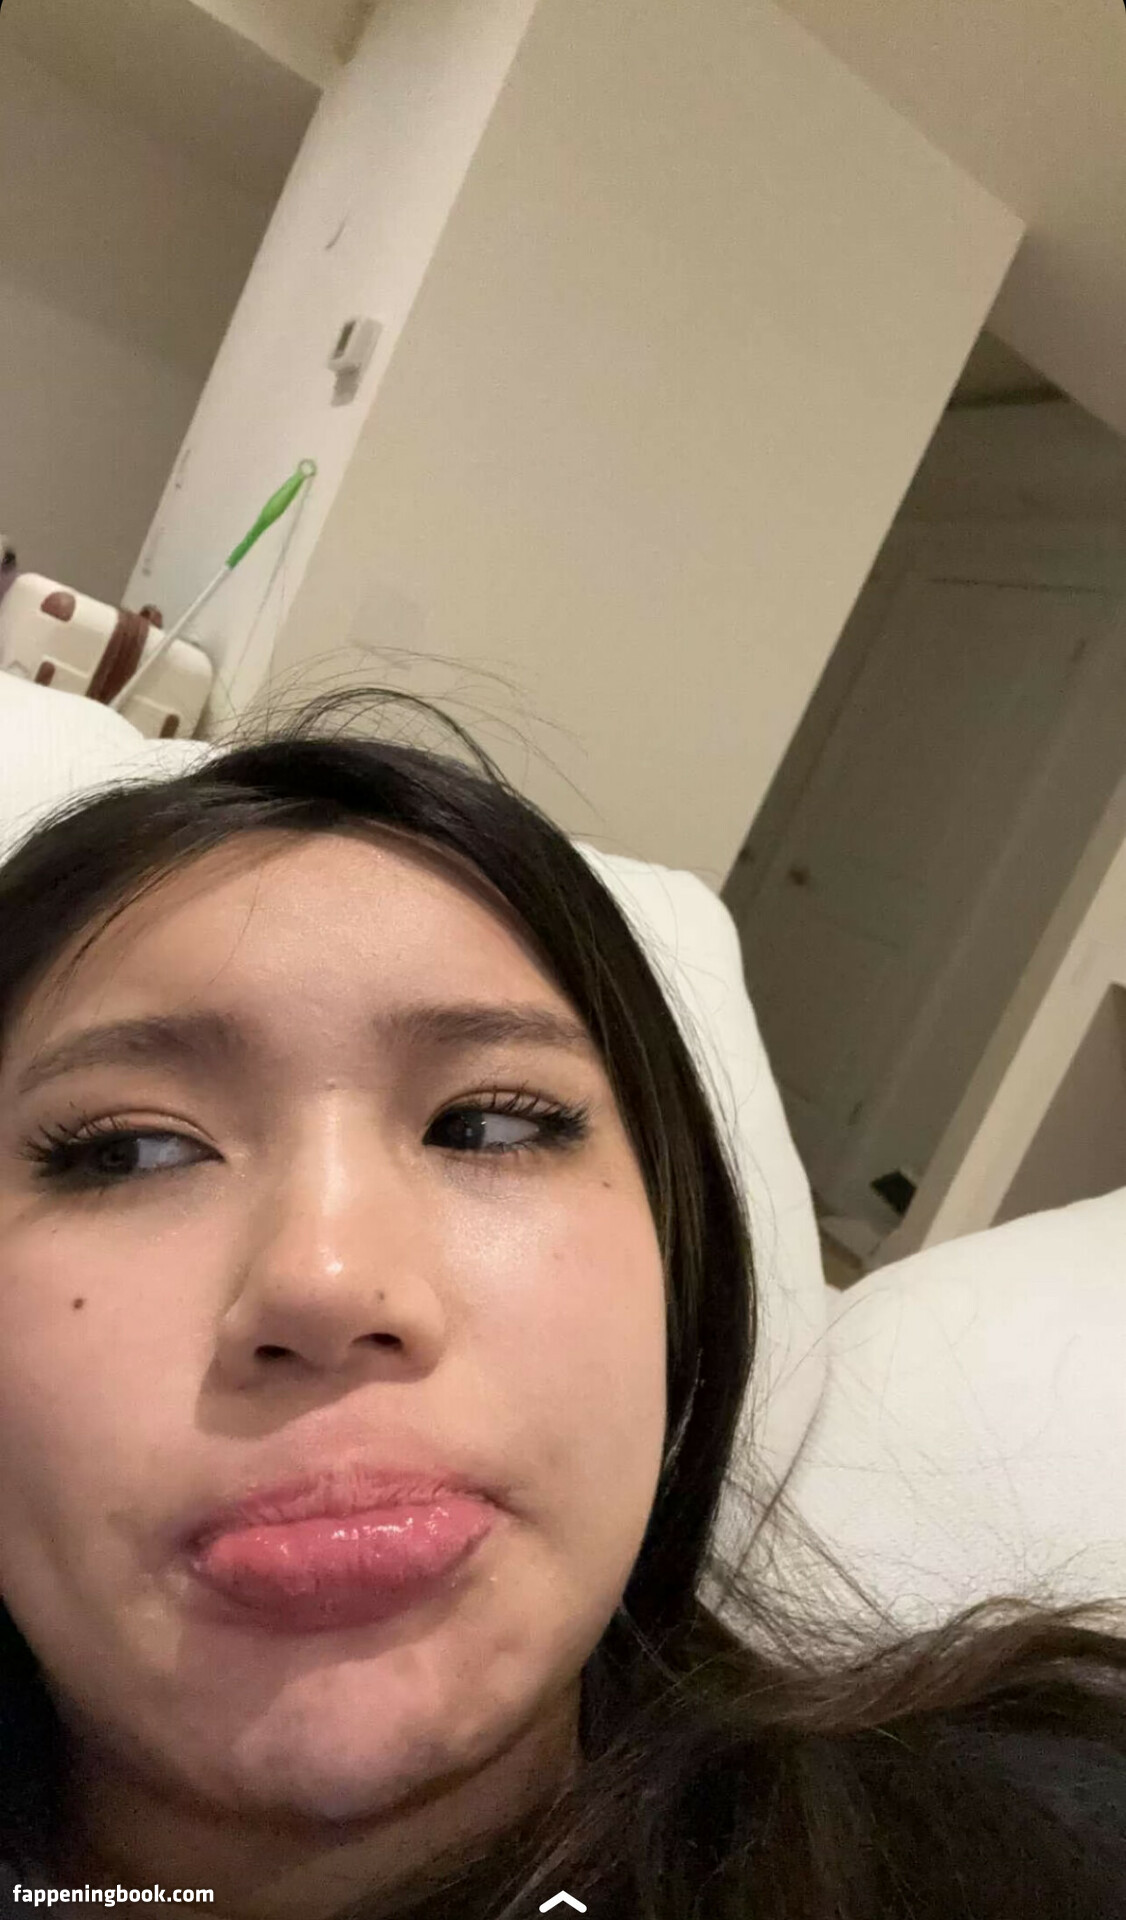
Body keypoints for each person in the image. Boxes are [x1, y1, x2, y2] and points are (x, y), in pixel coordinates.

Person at [0, 686, 1122, 1920]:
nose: (327, 1282)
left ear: (676, 1270)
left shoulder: (1038, 1836)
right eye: (129, 1151)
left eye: (487, 1125)